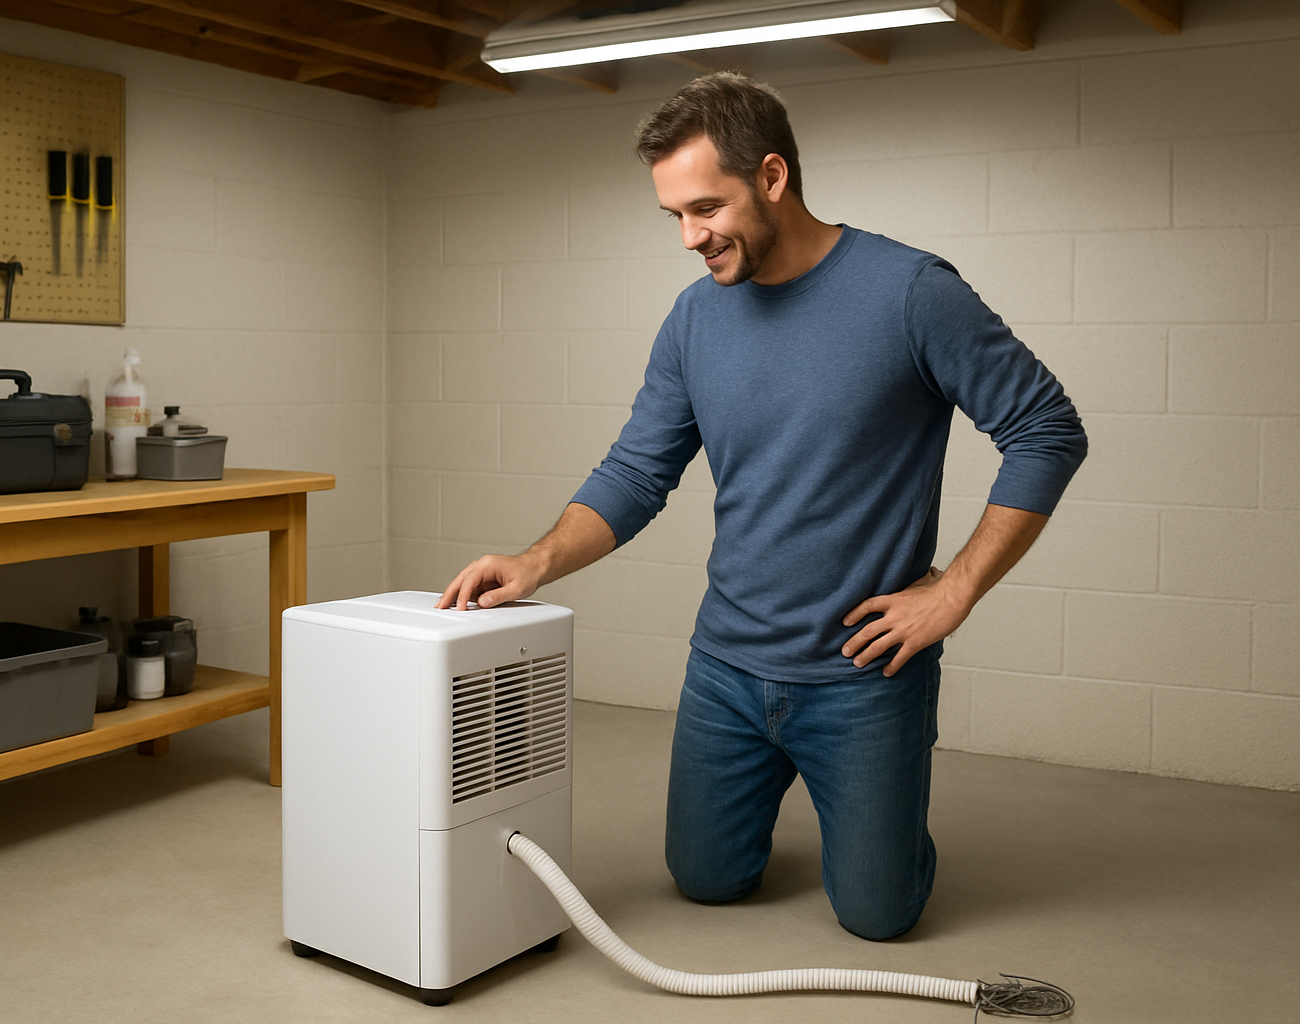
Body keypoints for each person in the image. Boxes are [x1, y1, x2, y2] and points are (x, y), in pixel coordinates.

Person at [436, 72, 1087, 941]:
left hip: (862, 673)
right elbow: (638, 471)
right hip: (726, 668)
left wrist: (955, 589)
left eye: (705, 208)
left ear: (772, 177)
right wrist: (534, 562)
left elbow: (1047, 429)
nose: (688, 236)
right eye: (672, 215)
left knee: (878, 915)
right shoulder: (695, 320)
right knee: (703, 881)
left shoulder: (911, 292)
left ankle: (885, 828)